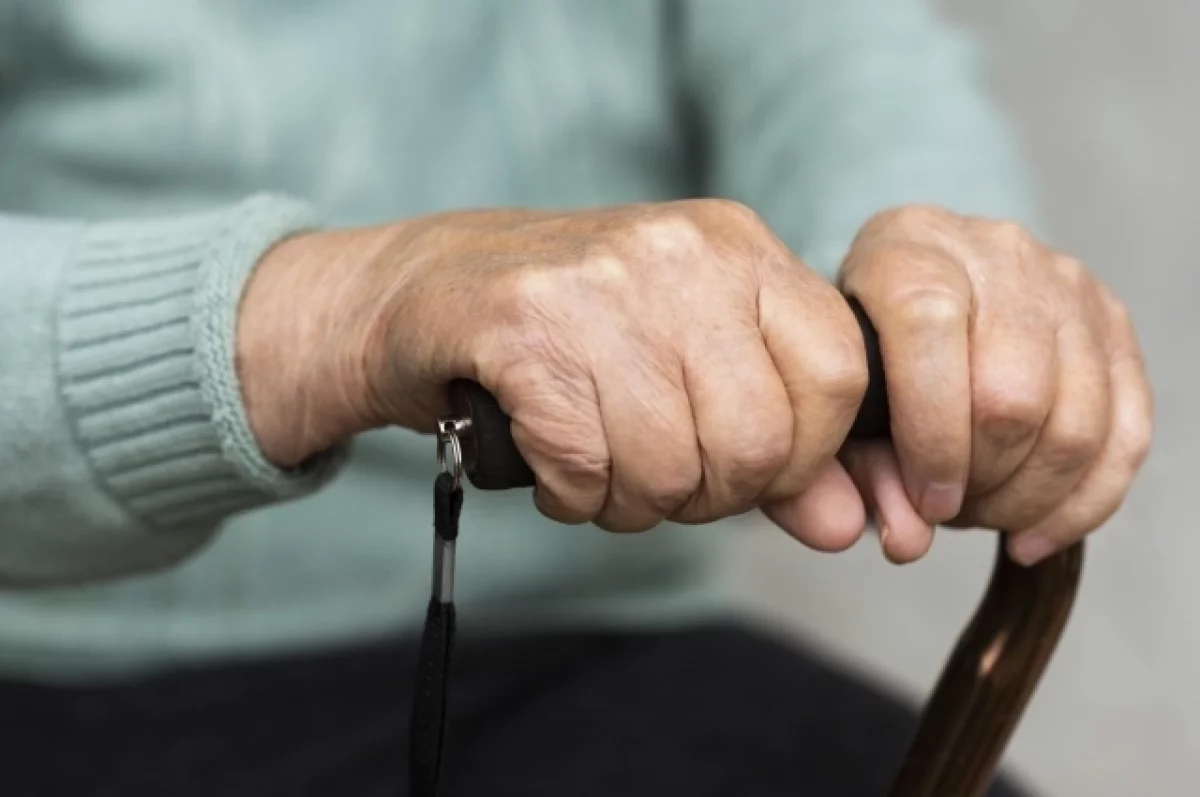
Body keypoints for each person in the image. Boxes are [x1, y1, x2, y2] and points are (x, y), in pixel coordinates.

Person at [0, 1, 1152, 795]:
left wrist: (937, 296)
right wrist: (339, 311)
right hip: (52, 666)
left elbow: (841, 60)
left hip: (586, 650)